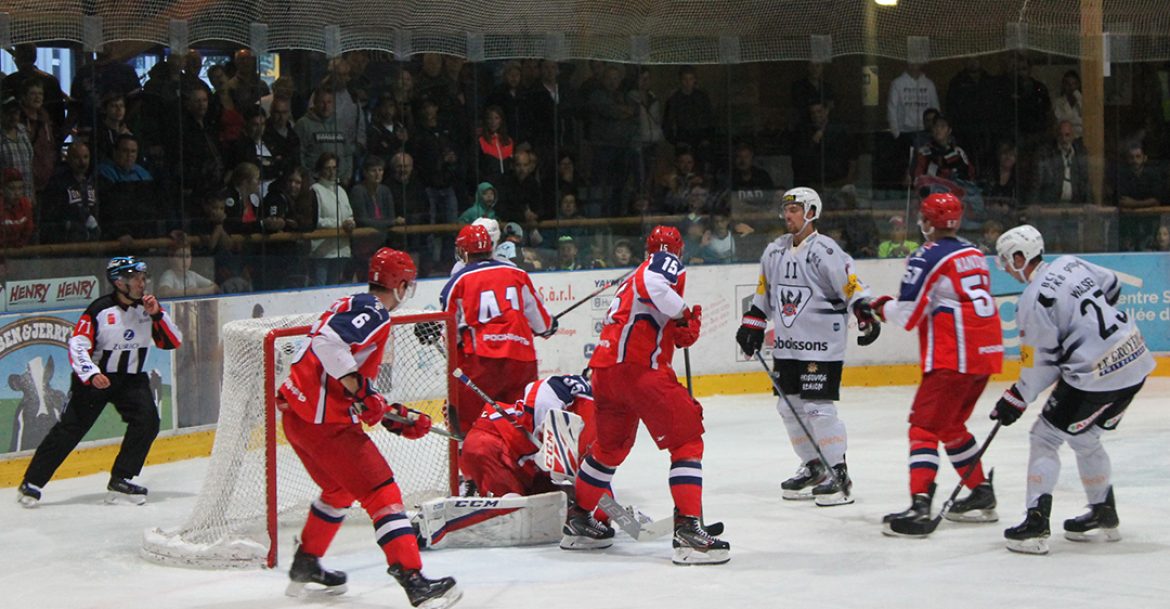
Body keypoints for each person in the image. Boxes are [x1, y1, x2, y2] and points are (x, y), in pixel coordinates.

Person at [276, 248, 461, 608]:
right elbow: (328, 344)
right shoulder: (374, 311)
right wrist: (363, 391)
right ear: (401, 283)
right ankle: (414, 580)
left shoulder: (353, 302)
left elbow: (346, 375)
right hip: (324, 424)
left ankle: (306, 563)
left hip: (299, 417)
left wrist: (392, 415)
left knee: (338, 490)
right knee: (383, 495)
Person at [563, 225, 730, 566]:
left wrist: (674, 328)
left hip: (605, 372)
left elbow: (646, 315)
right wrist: (683, 314)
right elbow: (655, 286)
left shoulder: (629, 278)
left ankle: (578, 520)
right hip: (638, 370)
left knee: (608, 451)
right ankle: (687, 530)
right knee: (687, 441)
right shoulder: (663, 263)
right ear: (676, 251)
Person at [992, 225, 1154, 555]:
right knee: (1084, 436)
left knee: (1045, 437)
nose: (1006, 268)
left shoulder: (1034, 299)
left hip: (1096, 374)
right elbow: (1113, 285)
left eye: (1007, 261)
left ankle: (1035, 524)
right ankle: (1103, 511)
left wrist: (1017, 397)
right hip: (1135, 360)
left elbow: (1041, 366)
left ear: (1021, 257)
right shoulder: (1071, 263)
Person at [866, 193, 1004, 536]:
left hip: (952, 356)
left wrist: (878, 305)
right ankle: (981, 493)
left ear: (927, 223)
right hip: (986, 353)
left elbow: (909, 314)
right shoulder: (973, 252)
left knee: (923, 428)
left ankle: (920, 507)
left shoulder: (928, 255)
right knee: (951, 425)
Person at [735, 187, 880, 507]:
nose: (788, 215)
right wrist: (753, 323)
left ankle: (838, 471)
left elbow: (851, 285)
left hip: (821, 344)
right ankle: (814, 465)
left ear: (811, 212)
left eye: (795, 209)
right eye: (786, 209)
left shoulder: (826, 250)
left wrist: (863, 312)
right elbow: (764, 295)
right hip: (788, 346)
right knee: (789, 408)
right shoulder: (774, 251)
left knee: (818, 406)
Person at [17, 257, 182, 507]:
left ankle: (121, 480)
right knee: (70, 429)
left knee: (148, 421)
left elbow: (172, 342)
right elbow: (78, 346)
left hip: (130, 379)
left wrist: (158, 315)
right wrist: (92, 374)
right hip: (95, 380)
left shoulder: (148, 309)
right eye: (136, 278)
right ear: (119, 282)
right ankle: (31, 483)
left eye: (143, 277)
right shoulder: (99, 310)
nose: (142, 282)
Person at [439, 224, 555, 439]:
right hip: (521, 361)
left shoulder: (457, 281)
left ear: (463, 252)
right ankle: (522, 467)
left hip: (481, 362)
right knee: (521, 424)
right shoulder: (517, 273)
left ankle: (470, 468)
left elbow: (449, 335)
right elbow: (542, 324)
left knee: (469, 425)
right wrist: (549, 327)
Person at [461, 374, 595, 498]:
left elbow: (597, 474)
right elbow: (543, 389)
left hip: (528, 472)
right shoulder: (591, 395)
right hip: (495, 440)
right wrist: (555, 448)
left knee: (554, 507)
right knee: (511, 512)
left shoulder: (609, 440)